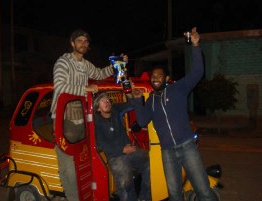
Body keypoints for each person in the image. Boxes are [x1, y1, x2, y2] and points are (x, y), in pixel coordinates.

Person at [131, 27, 219, 201]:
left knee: (203, 190)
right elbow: (141, 122)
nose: (155, 78)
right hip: (167, 152)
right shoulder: (151, 101)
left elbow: (197, 73)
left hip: (187, 146)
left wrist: (195, 46)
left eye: (159, 76)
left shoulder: (178, 89)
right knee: (174, 194)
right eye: (152, 76)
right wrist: (136, 101)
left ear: (166, 78)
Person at [50, 29, 127, 201]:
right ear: (72, 43)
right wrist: (86, 89)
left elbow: (99, 74)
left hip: (80, 120)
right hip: (64, 120)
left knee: (82, 162)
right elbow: (60, 86)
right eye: (79, 40)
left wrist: (117, 64)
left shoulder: (85, 64)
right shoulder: (63, 62)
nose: (83, 44)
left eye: (86, 41)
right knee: (68, 167)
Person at [93, 92, 151, 201]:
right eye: (103, 101)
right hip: (115, 156)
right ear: (98, 108)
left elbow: (131, 105)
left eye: (108, 100)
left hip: (129, 150)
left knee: (151, 162)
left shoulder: (115, 110)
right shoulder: (96, 122)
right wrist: (122, 149)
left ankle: (144, 197)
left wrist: (133, 96)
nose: (107, 102)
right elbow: (100, 143)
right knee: (125, 184)